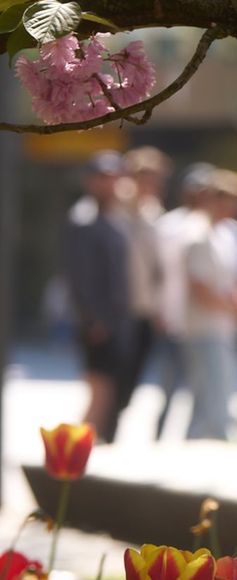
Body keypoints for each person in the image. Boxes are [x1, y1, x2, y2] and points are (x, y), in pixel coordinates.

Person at [181, 171, 237, 440]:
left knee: (218, 397)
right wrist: (235, 306)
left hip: (227, 328)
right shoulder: (198, 235)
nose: (234, 208)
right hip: (204, 329)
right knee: (211, 402)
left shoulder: (231, 233)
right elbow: (199, 290)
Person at [62, 152, 134, 442]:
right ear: (90, 181)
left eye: (114, 178)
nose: (110, 184)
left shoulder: (113, 216)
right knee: (99, 393)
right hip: (98, 325)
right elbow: (81, 277)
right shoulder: (84, 220)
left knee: (109, 393)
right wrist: (93, 319)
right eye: (103, 178)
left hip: (116, 321)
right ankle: (70, 456)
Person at [114, 146, 172, 424]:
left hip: (146, 308)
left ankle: (111, 430)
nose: (152, 184)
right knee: (114, 376)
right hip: (119, 307)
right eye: (146, 177)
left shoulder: (155, 212)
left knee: (133, 377)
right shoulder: (115, 207)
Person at [152, 165, 212, 438]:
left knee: (203, 390)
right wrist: (160, 312)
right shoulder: (169, 224)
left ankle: (193, 443)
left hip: (203, 322)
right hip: (171, 320)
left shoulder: (216, 226)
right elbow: (158, 273)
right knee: (166, 388)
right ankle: (157, 440)